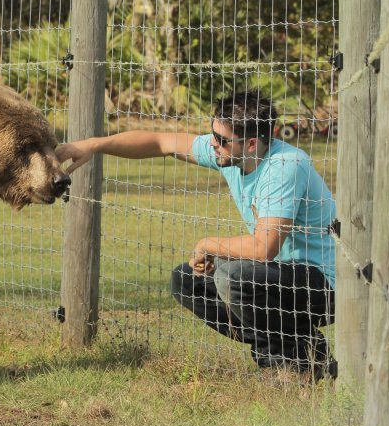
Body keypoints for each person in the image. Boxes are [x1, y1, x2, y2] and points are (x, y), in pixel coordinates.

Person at [56, 90, 337, 380]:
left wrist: (208, 244)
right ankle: (308, 351)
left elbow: (264, 248)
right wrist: (94, 145)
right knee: (188, 280)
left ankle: (288, 365)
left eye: (222, 140)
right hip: (283, 277)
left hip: (325, 284)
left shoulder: (284, 167)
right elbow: (160, 142)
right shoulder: (231, 154)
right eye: (213, 134)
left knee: (233, 278)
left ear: (251, 143)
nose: (213, 144)